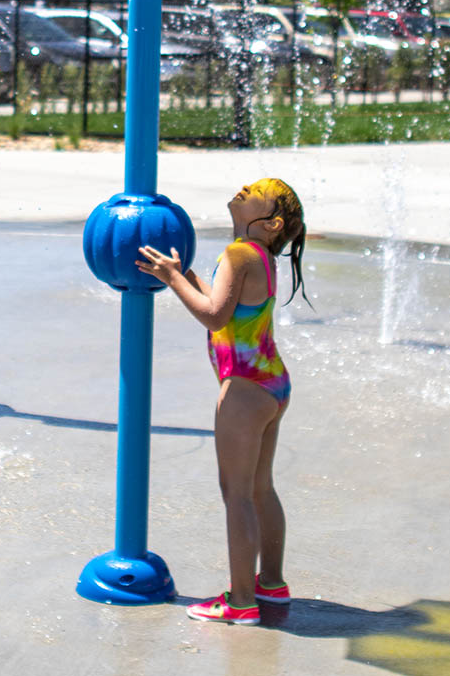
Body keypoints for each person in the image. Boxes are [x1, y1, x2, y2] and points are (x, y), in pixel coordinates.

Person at [136, 178, 309, 626]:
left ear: (270, 222)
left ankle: (241, 601)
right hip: (273, 383)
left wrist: (172, 279)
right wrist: (190, 276)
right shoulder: (262, 258)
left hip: (244, 391)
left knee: (236, 495)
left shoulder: (238, 255)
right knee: (259, 487)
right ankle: (271, 583)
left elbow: (213, 316)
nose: (245, 188)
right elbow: (227, 309)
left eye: (258, 191)